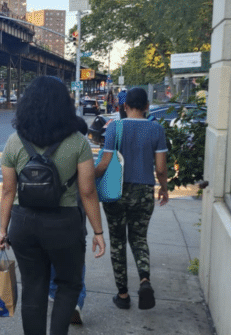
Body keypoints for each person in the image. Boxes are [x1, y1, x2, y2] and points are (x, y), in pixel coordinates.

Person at [0, 75, 105, 335]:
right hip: (64, 224)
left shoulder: (14, 141)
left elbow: (8, 190)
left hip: (24, 223)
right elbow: (87, 192)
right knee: (69, 284)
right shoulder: (77, 142)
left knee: (33, 287)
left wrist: (3, 230)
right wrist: (98, 232)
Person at [95, 87, 168, 311]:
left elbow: (106, 163)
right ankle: (145, 280)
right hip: (144, 191)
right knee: (139, 239)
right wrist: (163, 188)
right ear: (147, 106)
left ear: (124, 106)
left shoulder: (114, 127)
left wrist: (89, 178)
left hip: (115, 192)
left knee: (117, 242)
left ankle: (123, 295)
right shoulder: (156, 129)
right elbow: (161, 168)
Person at [48, 116, 90, 325]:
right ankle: (76, 301)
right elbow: (89, 192)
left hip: (48, 218)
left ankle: (53, 291)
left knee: (52, 257)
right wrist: (98, 231)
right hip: (75, 219)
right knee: (77, 263)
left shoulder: (52, 149)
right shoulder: (82, 150)